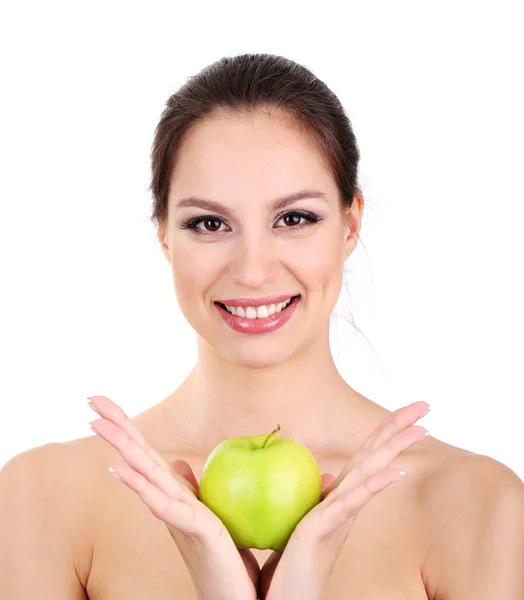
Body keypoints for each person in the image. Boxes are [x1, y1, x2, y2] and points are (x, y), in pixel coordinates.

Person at [1, 53, 523, 600]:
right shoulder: (42, 498)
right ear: (163, 237)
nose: (253, 271)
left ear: (350, 225)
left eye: (294, 219)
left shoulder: (474, 505)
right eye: (209, 223)